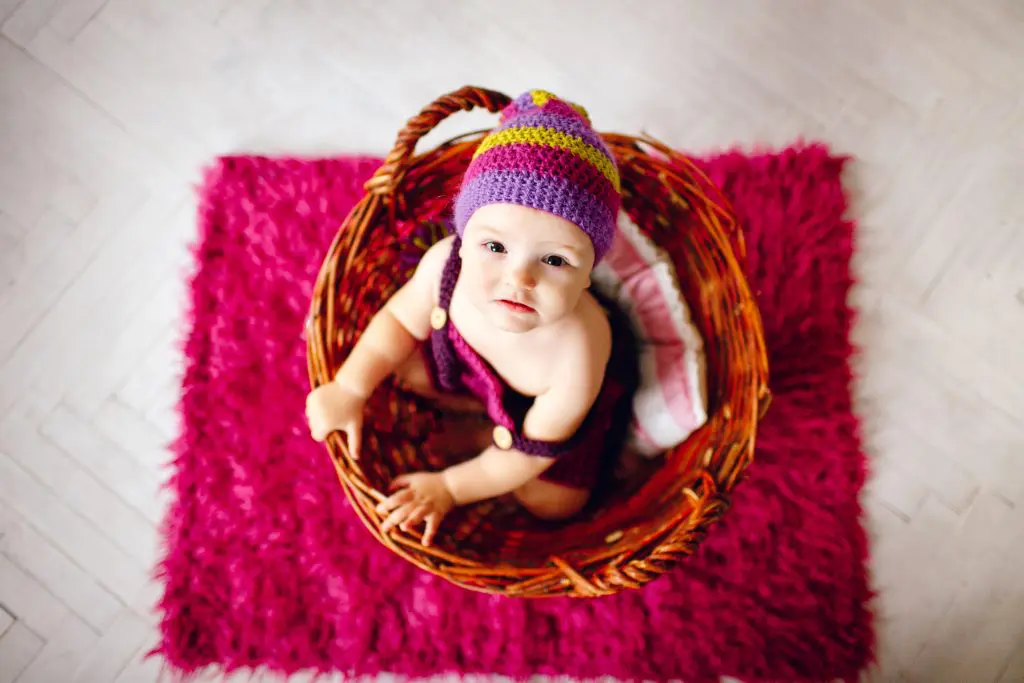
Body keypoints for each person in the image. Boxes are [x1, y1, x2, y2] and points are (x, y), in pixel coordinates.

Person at [305, 89, 636, 546]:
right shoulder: (446, 266)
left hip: (537, 426)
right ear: (462, 236)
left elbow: (530, 453)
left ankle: (484, 433)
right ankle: (475, 417)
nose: (519, 278)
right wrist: (350, 386)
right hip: (466, 373)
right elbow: (398, 323)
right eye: (495, 247)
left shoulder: (579, 351)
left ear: (587, 277)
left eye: (556, 261)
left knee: (555, 504)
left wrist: (449, 487)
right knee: (402, 367)